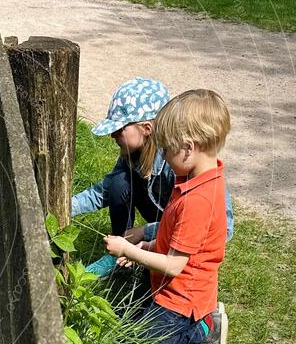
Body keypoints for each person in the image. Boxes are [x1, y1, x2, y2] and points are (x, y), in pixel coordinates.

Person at [103, 89, 230, 344]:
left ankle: (202, 329)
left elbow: (174, 265)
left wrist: (128, 249)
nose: (163, 155)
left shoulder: (198, 200)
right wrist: (148, 245)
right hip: (167, 288)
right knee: (125, 323)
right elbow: (177, 239)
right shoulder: (193, 179)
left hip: (180, 303)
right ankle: (192, 323)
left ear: (188, 148)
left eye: (167, 149)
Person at [73, 77, 234, 277]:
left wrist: (145, 231)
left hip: (183, 232)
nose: (112, 135)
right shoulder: (133, 156)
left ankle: (133, 249)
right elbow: (102, 192)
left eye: (119, 129)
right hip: (166, 221)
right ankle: (123, 250)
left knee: (150, 285)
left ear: (146, 128)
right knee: (118, 182)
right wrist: (65, 206)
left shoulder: (178, 162)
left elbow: (221, 228)